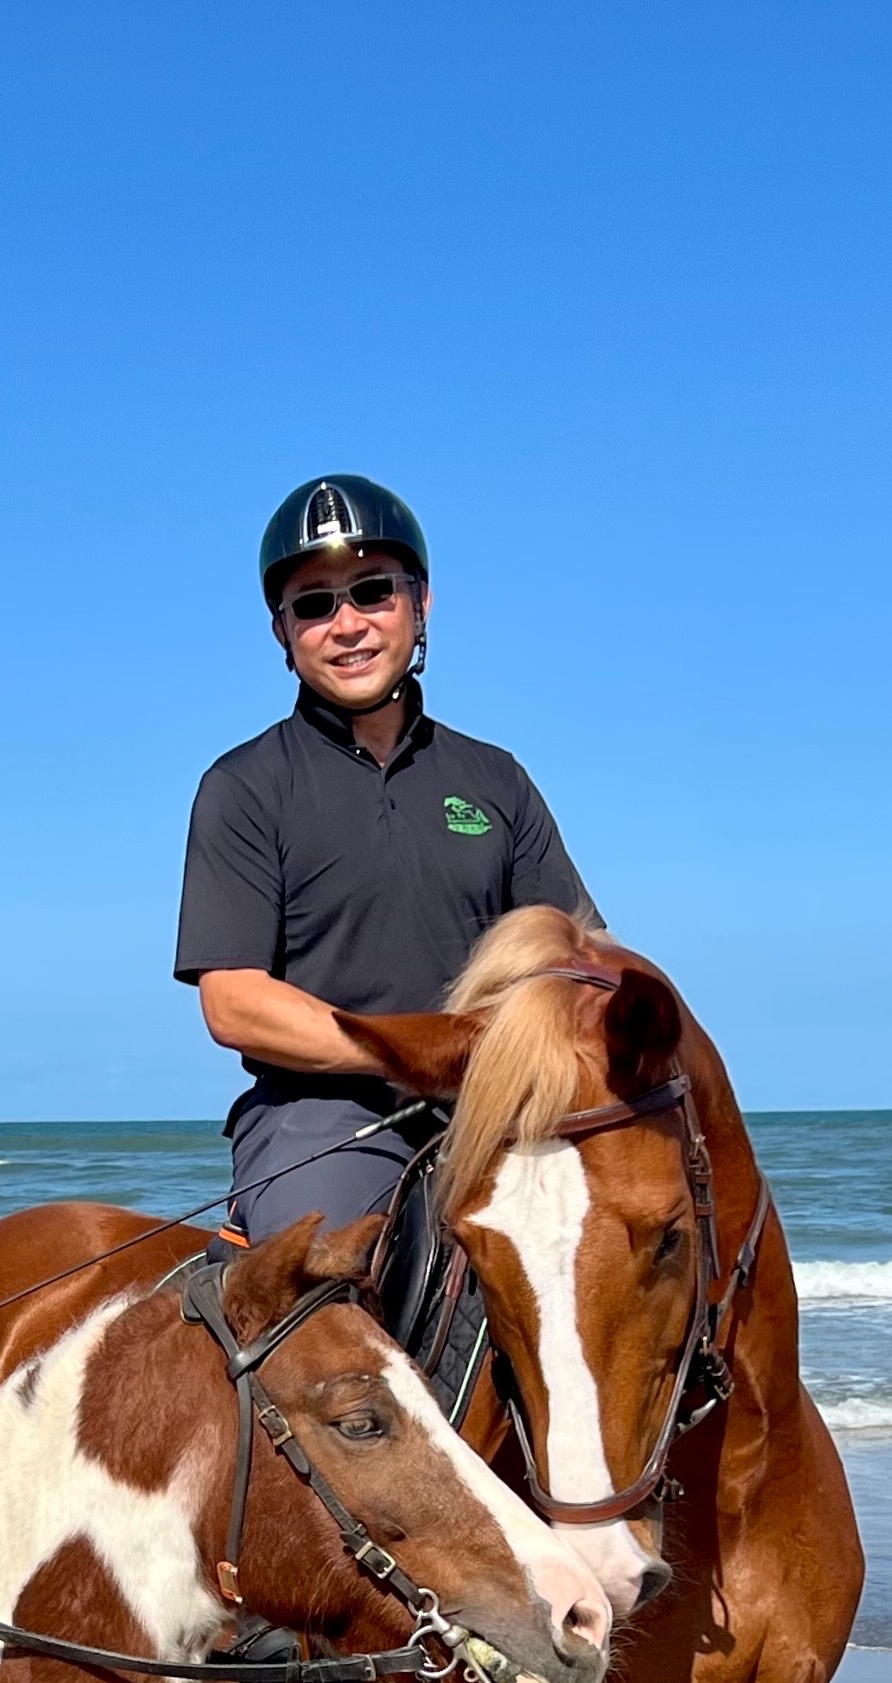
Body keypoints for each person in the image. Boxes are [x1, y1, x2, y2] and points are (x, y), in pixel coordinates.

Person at [175, 475, 600, 1247]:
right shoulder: (242, 786)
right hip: (322, 1115)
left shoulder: (494, 778)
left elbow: (576, 961)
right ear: (282, 631)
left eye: (371, 592)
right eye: (313, 604)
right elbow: (232, 1003)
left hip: (500, 1105)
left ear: (420, 602)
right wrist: (418, 1055)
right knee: (318, 1307)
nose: (346, 625)